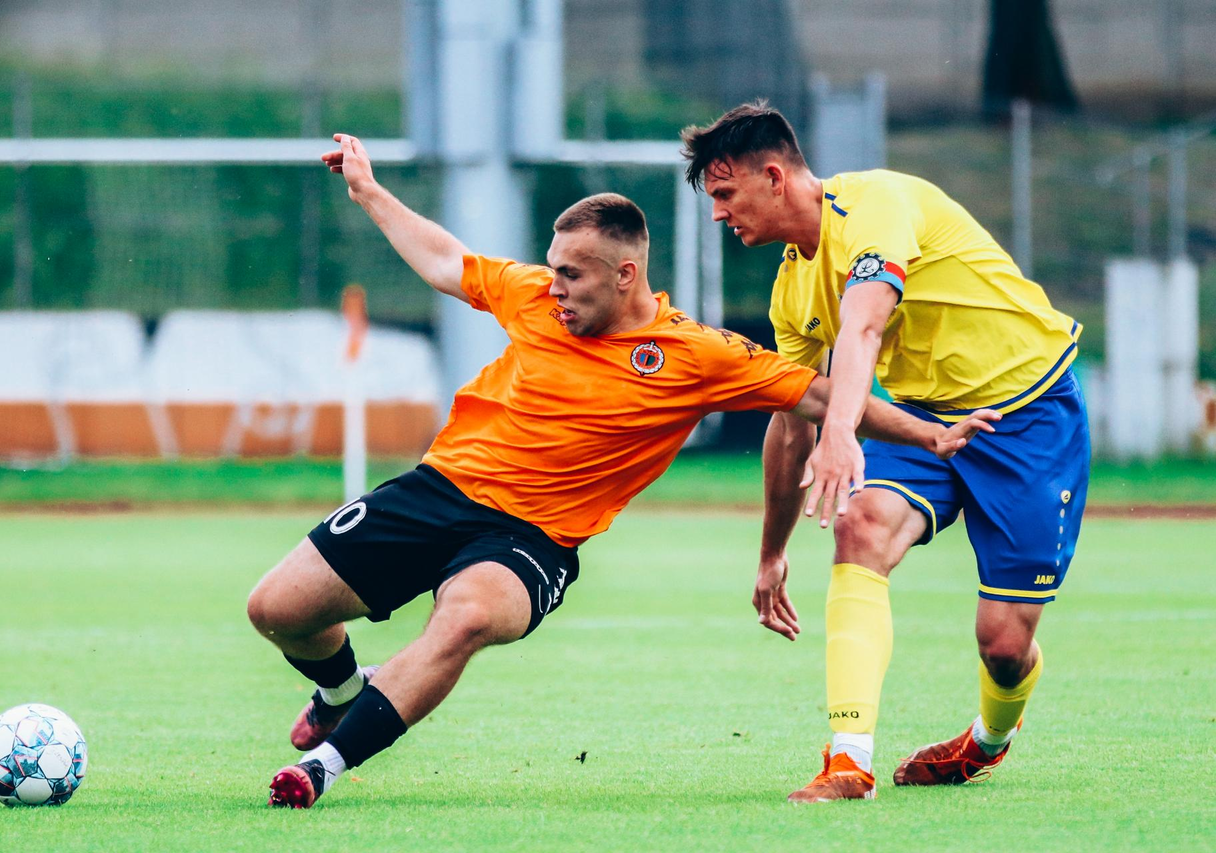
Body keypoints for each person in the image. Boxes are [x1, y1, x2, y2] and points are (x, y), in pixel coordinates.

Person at [247, 132, 997, 809]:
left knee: (466, 616)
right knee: (277, 608)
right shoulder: (534, 295)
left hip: (532, 539)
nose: (555, 287)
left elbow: (824, 396)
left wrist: (932, 436)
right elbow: (447, 261)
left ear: (625, 274)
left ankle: (323, 767)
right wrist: (370, 191)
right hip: (437, 489)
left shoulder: (695, 354)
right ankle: (342, 695)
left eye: (572, 275)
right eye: (553, 269)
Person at [680, 102, 1090, 802]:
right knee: (859, 523)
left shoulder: (877, 205)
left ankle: (988, 740)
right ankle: (849, 761)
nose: (718, 214)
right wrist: (772, 552)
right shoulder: (791, 290)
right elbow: (791, 422)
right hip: (925, 417)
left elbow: (865, 326)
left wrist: (842, 430)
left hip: (1027, 412)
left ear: (773, 176)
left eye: (724, 193)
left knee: (1003, 644)